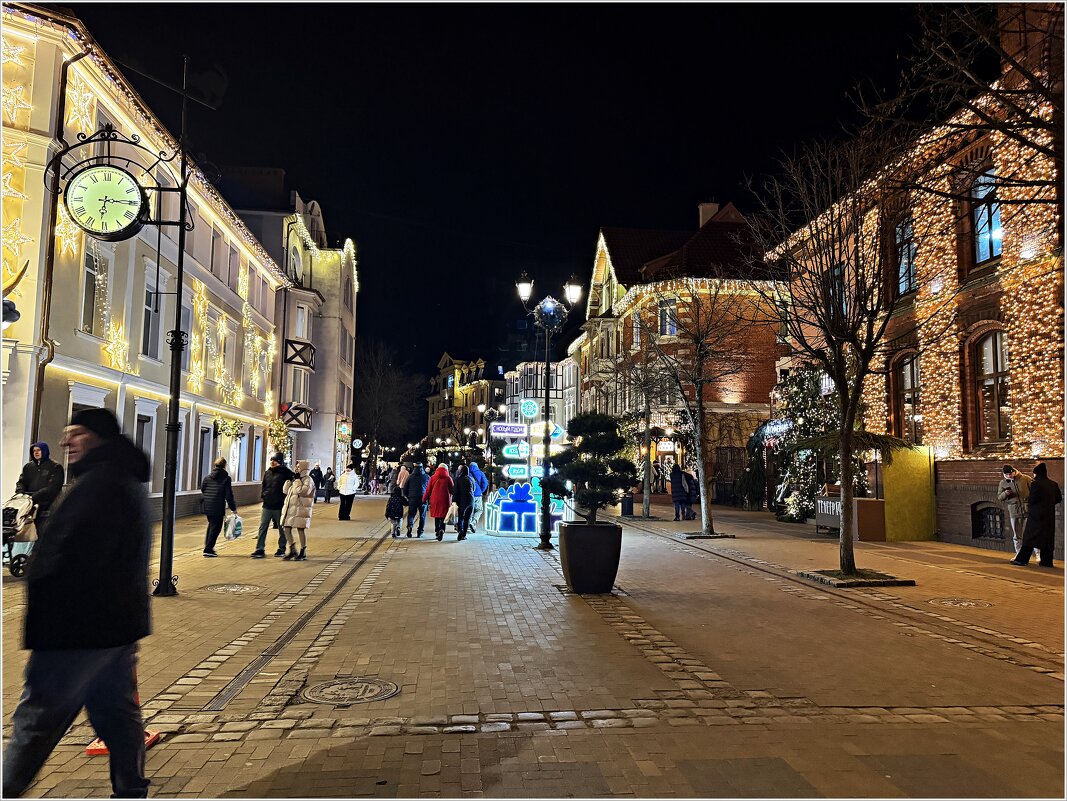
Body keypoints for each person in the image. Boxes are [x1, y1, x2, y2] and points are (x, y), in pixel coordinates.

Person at [3, 408, 151, 798]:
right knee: (117, 717)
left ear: (99, 437)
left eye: (78, 433)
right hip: (113, 627)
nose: (67, 440)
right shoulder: (118, 480)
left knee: (36, 721)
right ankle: (131, 790)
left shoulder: (101, 485)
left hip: (77, 631)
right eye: (67, 432)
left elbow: (75, 559)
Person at [1010, 462, 1061, 567]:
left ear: (1036, 474)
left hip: (1036, 515)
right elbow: (1058, 498)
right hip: (1049, 516)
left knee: (1030, 537)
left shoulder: (1035, 483)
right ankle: (1047, 562)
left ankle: (1022, 560)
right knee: (1047, 539)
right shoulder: (1053, 484)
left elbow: (1032, 499)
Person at [14, 441, 64, 537]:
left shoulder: (55, 467)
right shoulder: (28, 467)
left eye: (39, 450)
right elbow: (21, 482)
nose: (36, 452)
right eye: (34, 451)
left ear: (44, 451)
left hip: (47, 507)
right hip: (28, 507)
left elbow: (53, 488)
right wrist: (20, 493)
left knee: (43, 533)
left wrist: (34, 496)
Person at [251, 453, 295, 558]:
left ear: (279, 462)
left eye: (274, 460)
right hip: (267, 505)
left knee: (281, 528)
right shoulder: (267, 472)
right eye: (271, 460)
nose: (272, 462)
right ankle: (259, 548)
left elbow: (294, 480)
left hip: (279, 505)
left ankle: (281, 549)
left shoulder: (285, 472)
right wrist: (263, 495)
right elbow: (264, 485)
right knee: (263, 527)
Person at [200, 457, 236, 557]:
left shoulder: (207, 477)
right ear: (224, 466)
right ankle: (208, 549)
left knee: (211, 525)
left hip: (207, 506)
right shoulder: (226, 478)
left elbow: (203, 489)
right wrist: (233, 508)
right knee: (216, 528)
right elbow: (228, 495)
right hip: (218, 506)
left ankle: (208, 547)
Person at [280, 459, 315, 561]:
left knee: (300, 529)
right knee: (286, 528)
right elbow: (286, 491)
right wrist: (289, 481)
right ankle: (292, 549)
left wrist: (298, 481)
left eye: (299, 466)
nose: (296, 468)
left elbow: (303, 492)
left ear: (304, 468)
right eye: (296, 466)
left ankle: (303, 551)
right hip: (291, 509)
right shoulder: (296, 479)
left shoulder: (308, 480)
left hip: (301, 510)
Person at [997, 464, 1033, 557]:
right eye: (1007, 474)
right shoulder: (1003, 483)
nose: (1009, 475)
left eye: (1010, 473)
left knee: (1031, 533)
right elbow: (1000, 497)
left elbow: (1035, 490)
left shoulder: (1025, 479)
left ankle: (1037, 553)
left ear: (1014, 471)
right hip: (1014, 511)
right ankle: (1019, 554)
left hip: (1027, 509)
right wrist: (1005, 493)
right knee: (1017, 535)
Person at [423, 464, 455, 541]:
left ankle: (437, 531)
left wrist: (424, 499)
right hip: (445, 500)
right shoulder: (448, 478)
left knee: (437, 516)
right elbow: (452, 490)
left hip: (434, 500)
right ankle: (442, 529)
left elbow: (428, 490)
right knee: (444, 516)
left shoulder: (433, 477)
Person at [404, 464, 431, 537]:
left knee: (411, 514)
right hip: (423, 498)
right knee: (422, 515)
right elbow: (430, 488)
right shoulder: (426, 477)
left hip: (412, 498)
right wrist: (428, 498)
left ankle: (410, 525)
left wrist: (407, 496)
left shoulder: (410, 476)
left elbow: (405, 487)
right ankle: (420, 531)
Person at [453, 464, 476, 541]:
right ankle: (464, 535)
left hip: (462, 500)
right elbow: (474, 489)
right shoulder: (471, 479)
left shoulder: (458, 479)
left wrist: (454, 501)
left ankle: (460, 531)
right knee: (467, 518)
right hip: (471, 500)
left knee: (461, 517)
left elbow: (455, 491)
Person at [468, 460, 489, 534]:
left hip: (469, 495)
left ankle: (468, 524)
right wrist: (481, 490)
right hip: (477, 494)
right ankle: (473, 522)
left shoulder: (467, 473)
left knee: (470, 510)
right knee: (479, 509)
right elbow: (485, 483)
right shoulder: (480, 473)